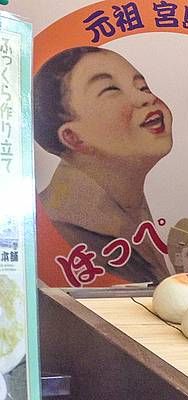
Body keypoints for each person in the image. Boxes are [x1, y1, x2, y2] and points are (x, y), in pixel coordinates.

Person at [35, 46, 173, 282]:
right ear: (72, 137)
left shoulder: (128, 207)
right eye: (111, 90)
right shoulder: (68, 229)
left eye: (142, 86)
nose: (146, 97)